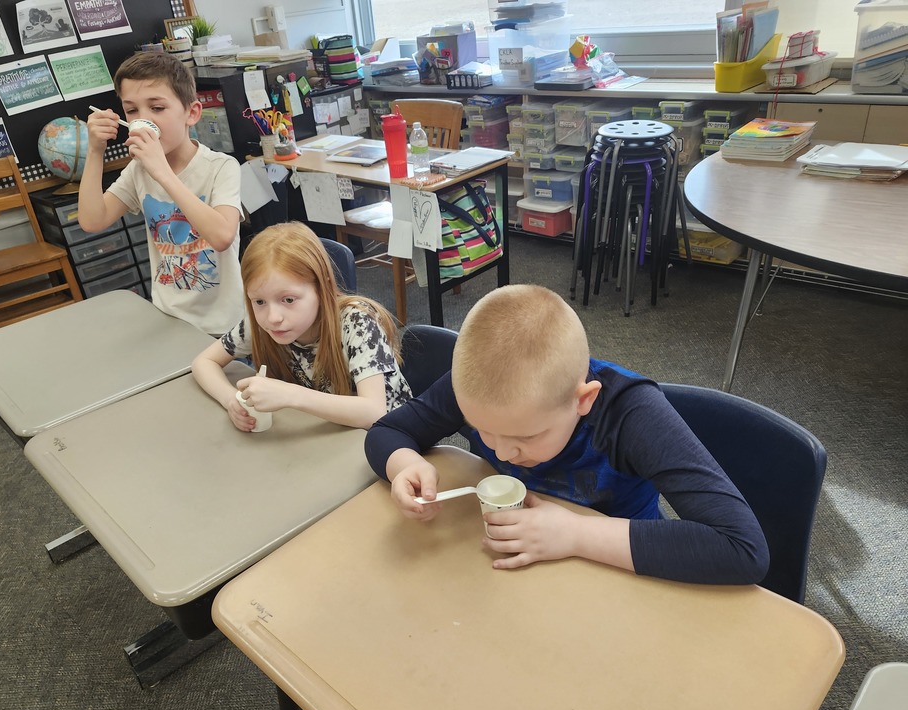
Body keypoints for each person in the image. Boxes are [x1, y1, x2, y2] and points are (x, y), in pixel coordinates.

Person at [364, 284, 770, 585]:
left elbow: (743, 549)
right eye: (482, 430)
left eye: (526, 436)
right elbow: (388, 431)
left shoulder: (631, 413)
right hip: (522, 573)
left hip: (624, 569)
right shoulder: (481, 386)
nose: (500, 448)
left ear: (583, 400)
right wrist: (406, 465)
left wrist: (575, 534)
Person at [78, 52, 243, 336]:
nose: (143, 121)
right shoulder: (138, 171)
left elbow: (222, 237)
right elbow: (93, 220)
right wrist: (94, 151)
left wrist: (163, 172)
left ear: (191, 113)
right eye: (132, 111)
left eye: (156, 108)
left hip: (223, 325)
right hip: (168, 319)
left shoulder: (220, 167)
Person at [191, 222, 413, 431]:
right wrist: (231, 401)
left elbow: (373, 411)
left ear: (322, 288)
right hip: (331, 435)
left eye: (288, 300)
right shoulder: (262, 325)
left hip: (394, 442)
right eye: (259, 301)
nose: (273, 317)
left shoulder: (358, 323)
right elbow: (203, 362)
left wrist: (290, 395)